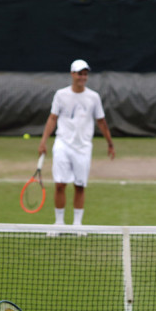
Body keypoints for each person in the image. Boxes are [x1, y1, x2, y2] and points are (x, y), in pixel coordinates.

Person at [38, 59, 116, 228]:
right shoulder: (60, 95)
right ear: (72, 74)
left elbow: (101, 121)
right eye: (80, 73)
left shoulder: (93, 97)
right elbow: (52, 118)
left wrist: (110, 143)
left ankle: (77, 224)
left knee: (80, 186)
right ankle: (59, 223)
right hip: (62, 144)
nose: (83, 77)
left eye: (85, 74)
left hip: (83, 147)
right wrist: (43, 141)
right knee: (60, 184)